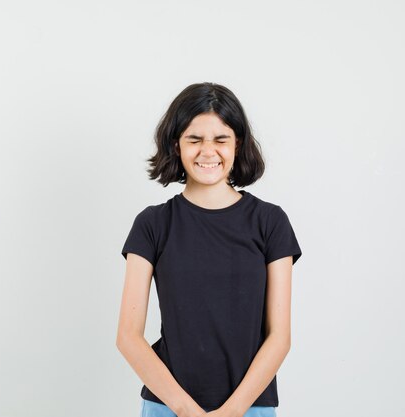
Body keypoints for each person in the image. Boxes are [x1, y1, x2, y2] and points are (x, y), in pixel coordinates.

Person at [116, 82, 302, 417]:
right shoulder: (153, 224)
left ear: (237, 144)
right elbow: (128, 337)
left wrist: (231, 412)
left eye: (221, 139)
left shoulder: (270, 222)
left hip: (250, 407)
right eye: (194, 139)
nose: (208, 151)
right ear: (176, 145)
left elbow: (280, 337)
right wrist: (186, 410)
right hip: (168, 406)